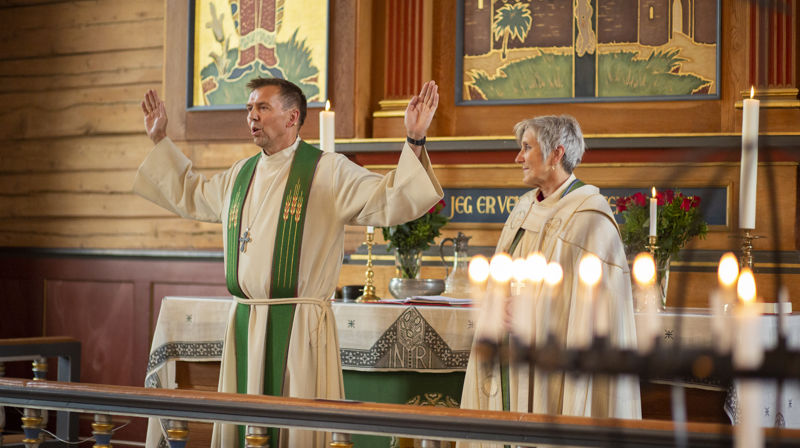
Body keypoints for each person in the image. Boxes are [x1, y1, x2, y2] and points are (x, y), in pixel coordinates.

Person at [135, 78, 443, 448]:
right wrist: (159, 140)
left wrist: (415, 139)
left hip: (298, 326)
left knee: (296, 427)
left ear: (292, 117)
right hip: (246, 320)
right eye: (249, 109)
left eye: (262, 108)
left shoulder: (327, 171)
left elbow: (390, 198)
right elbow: (193, 193)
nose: (252, 116)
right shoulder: (240, 174)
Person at [459, 115, 641, 446]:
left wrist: (536, 308)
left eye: (526, 148)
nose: (518, 157)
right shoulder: (523, 209)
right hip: (510, 355)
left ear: (556, 154)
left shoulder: (591, 216)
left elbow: (599, 306)